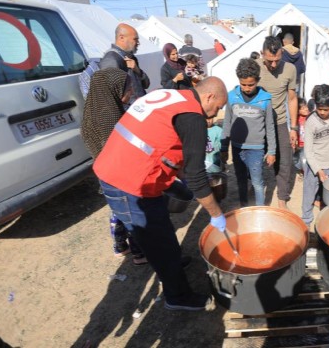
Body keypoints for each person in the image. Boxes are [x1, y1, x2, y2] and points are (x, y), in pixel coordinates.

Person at [93, 77, 229, 311]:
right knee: (158, 242)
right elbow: (196, 177)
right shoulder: (193, 117)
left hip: (124, 166)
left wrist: (186, 176)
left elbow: (163, 143)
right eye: (217, 107)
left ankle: (173, 262)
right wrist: (216, 213)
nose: (214, 114)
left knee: (161, 228)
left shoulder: (175, 96)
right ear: (209, 97)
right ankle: (177, 297)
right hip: (127, 182)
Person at [80, 67, 146, 265]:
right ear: (114, 88)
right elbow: (119, 151)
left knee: (116, 211)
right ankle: (139, 253)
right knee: (131, 212)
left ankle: (120, 246)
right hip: (119, 173)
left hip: (104, 172)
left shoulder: (94, 110)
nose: (132, 92)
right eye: (128, 88)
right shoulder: (109, 117)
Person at [220, 58, 277, 206]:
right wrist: (224, 147)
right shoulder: (232, 96)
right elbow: (227, 122)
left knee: (257, 182)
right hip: (237, 147)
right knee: (240, 179)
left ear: (257, 80)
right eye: (243, 84)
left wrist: (271, 151)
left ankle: (259, 210)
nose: (246, 88)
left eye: (250, 85)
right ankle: (244, 207)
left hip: (256, 149)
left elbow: (269, 126)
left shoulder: (265, 99)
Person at [258, 36, 299, 209]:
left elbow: (291, 99)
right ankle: (257, 194)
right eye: (269, 61)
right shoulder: (254, 67)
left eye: (277, 60)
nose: (274, 65)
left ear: (282, 53)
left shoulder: (290, 69)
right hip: (258, 123)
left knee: (285, 159)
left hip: (280, 121)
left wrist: (294, 128)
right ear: (262, 54)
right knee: (254, 159)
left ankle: (282, 198)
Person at [301, 85, 329, 227]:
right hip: (315, 165)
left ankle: (328, 223)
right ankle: (306, 224)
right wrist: (318, 170)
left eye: (326, 109)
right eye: (319, 109)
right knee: (309, 196)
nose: (322, 112)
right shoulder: (311, 122)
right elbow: (308, 150)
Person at [99, 23, 150, 105]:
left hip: (140, 108)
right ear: (121, 38)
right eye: (135, 39)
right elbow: (111, 97)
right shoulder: (111, 60)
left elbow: (146, 84)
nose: (138, 43)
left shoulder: (130, 57)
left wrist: (137, 70)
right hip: (130, 113)